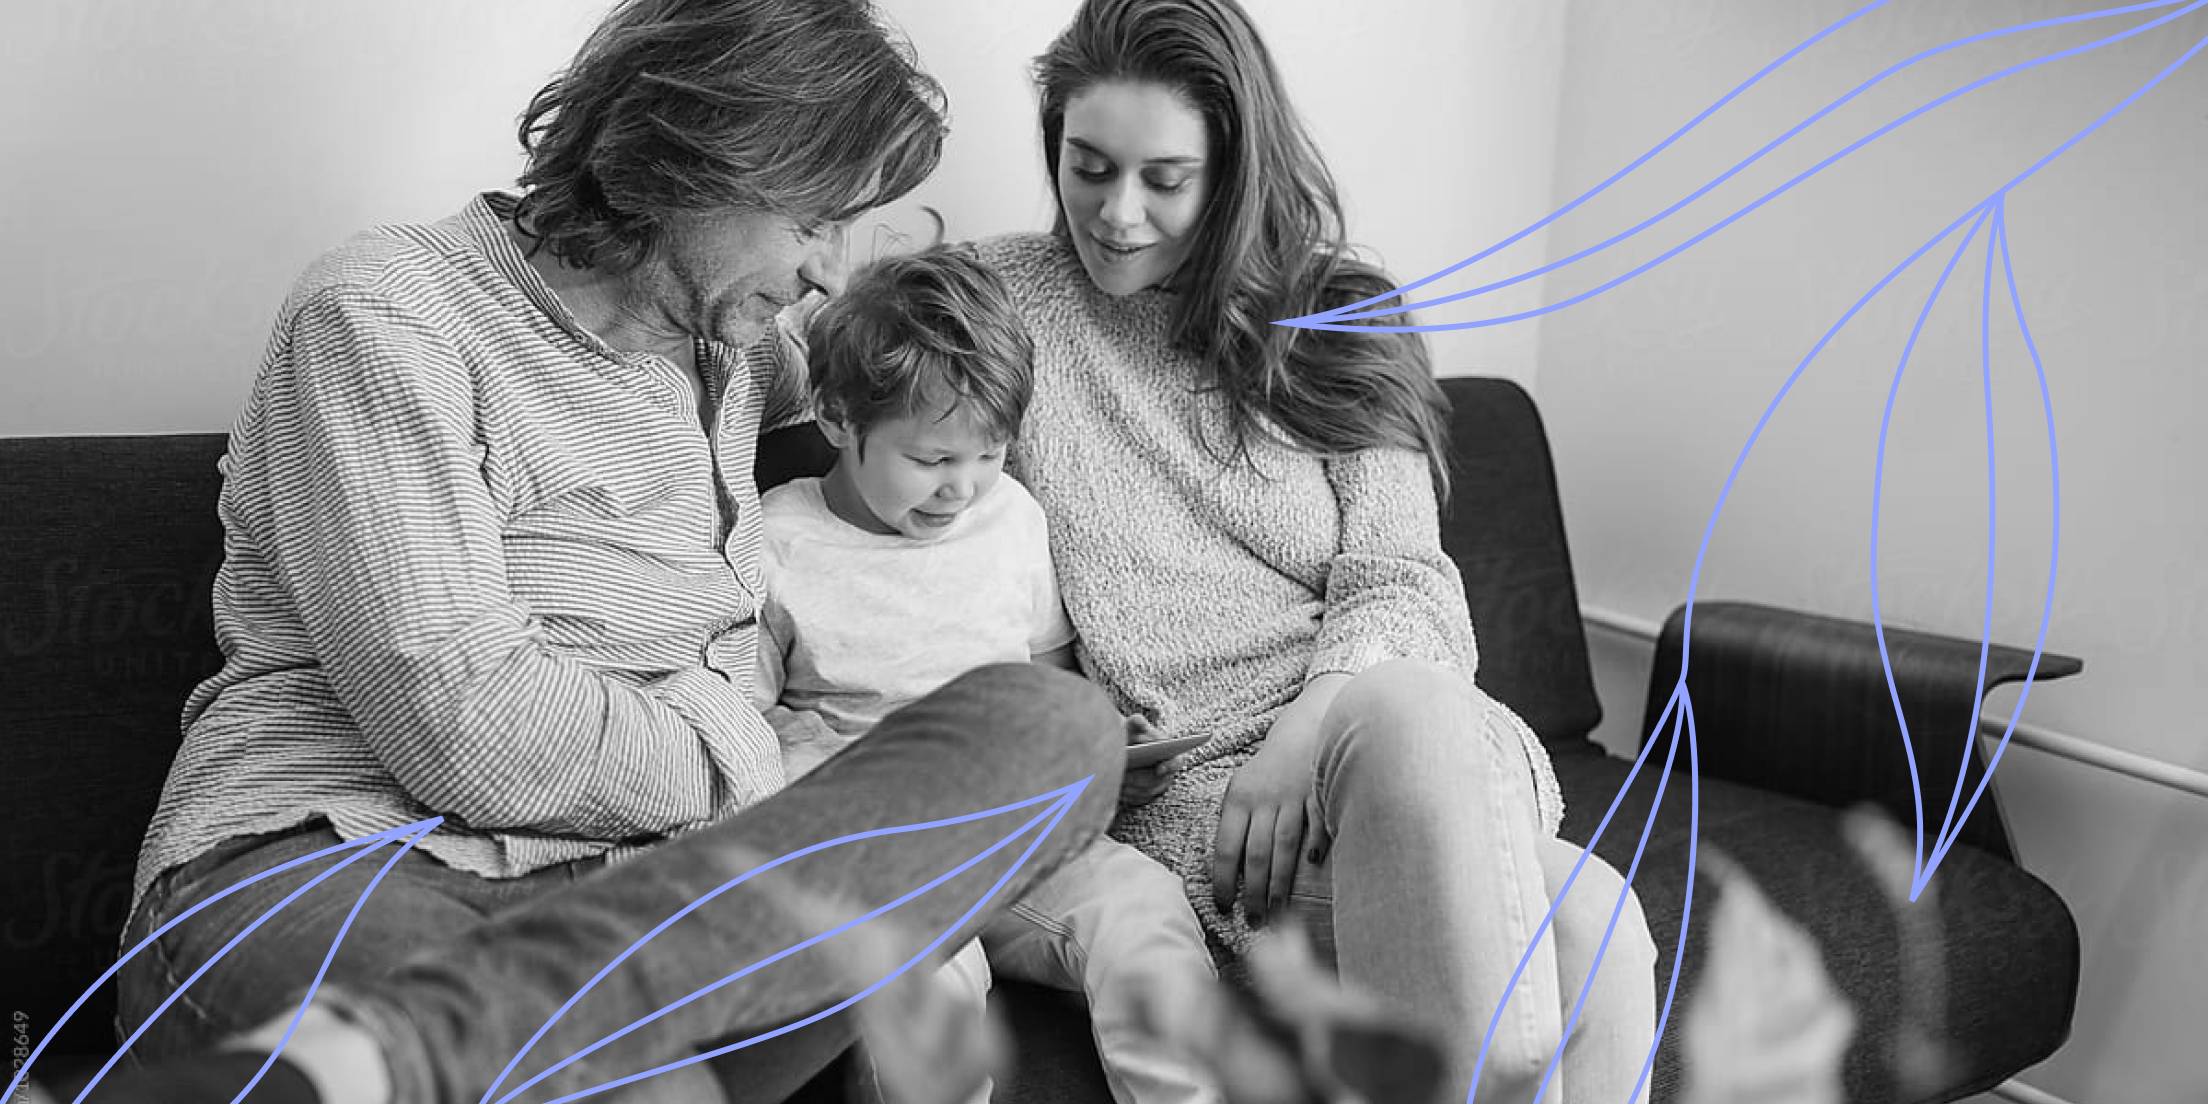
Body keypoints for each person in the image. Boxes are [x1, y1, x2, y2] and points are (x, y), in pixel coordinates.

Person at [73, 3, 1129, 1103]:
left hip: (657, 904)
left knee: (1054, 732)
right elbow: (464, 729)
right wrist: (746, 751)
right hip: (351, 858)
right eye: (814, 220)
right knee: (634, 1085)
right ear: (692, 162)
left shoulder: (737, 348)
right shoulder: (388, 315)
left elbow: (928, 394)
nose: (829, 269)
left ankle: (527, 1045)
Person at [969, 0, 1663, 1101]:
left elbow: (1405, 581)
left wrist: (1308, 730)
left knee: (1404, 702)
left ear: (1232, 173)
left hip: (1415, 761)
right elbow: (834, 374)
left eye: (1164, 179)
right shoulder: (1000, 305)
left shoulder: (1342, 319)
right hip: (1214, 806)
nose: (1116, 213)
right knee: (1594, 925)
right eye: (1088, 167)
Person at [751, 246, 1223, 1104]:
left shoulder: (1012, 519)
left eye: (989, 454)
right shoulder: (777, 546)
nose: (961, 489)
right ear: (837, 417)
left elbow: (1048, 677)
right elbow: (740, 734)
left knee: (1144, 907)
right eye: (931, 460)